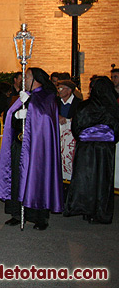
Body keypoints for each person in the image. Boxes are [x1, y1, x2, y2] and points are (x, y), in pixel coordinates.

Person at [0, 68, 62, 231]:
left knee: (37, 179)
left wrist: (30, 112)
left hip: (37, 149)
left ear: (36, 79)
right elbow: (11, 115)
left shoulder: (47, 97)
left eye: (27, 76)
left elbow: (45, 119)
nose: (23, 79)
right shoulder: (24, 96)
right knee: (17, 178)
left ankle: (39, 217)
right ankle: (17, 213)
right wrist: (17, 116)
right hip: (19, 145)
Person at [64, 76, 119, 224]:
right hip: (105, 149)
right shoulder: (112, 107)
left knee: (86, 178)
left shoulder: (84, 106)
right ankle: (100, 212)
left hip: (86, 148)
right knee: (103, 180)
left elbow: (76, 126)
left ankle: (85, 208)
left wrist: (85, 137)